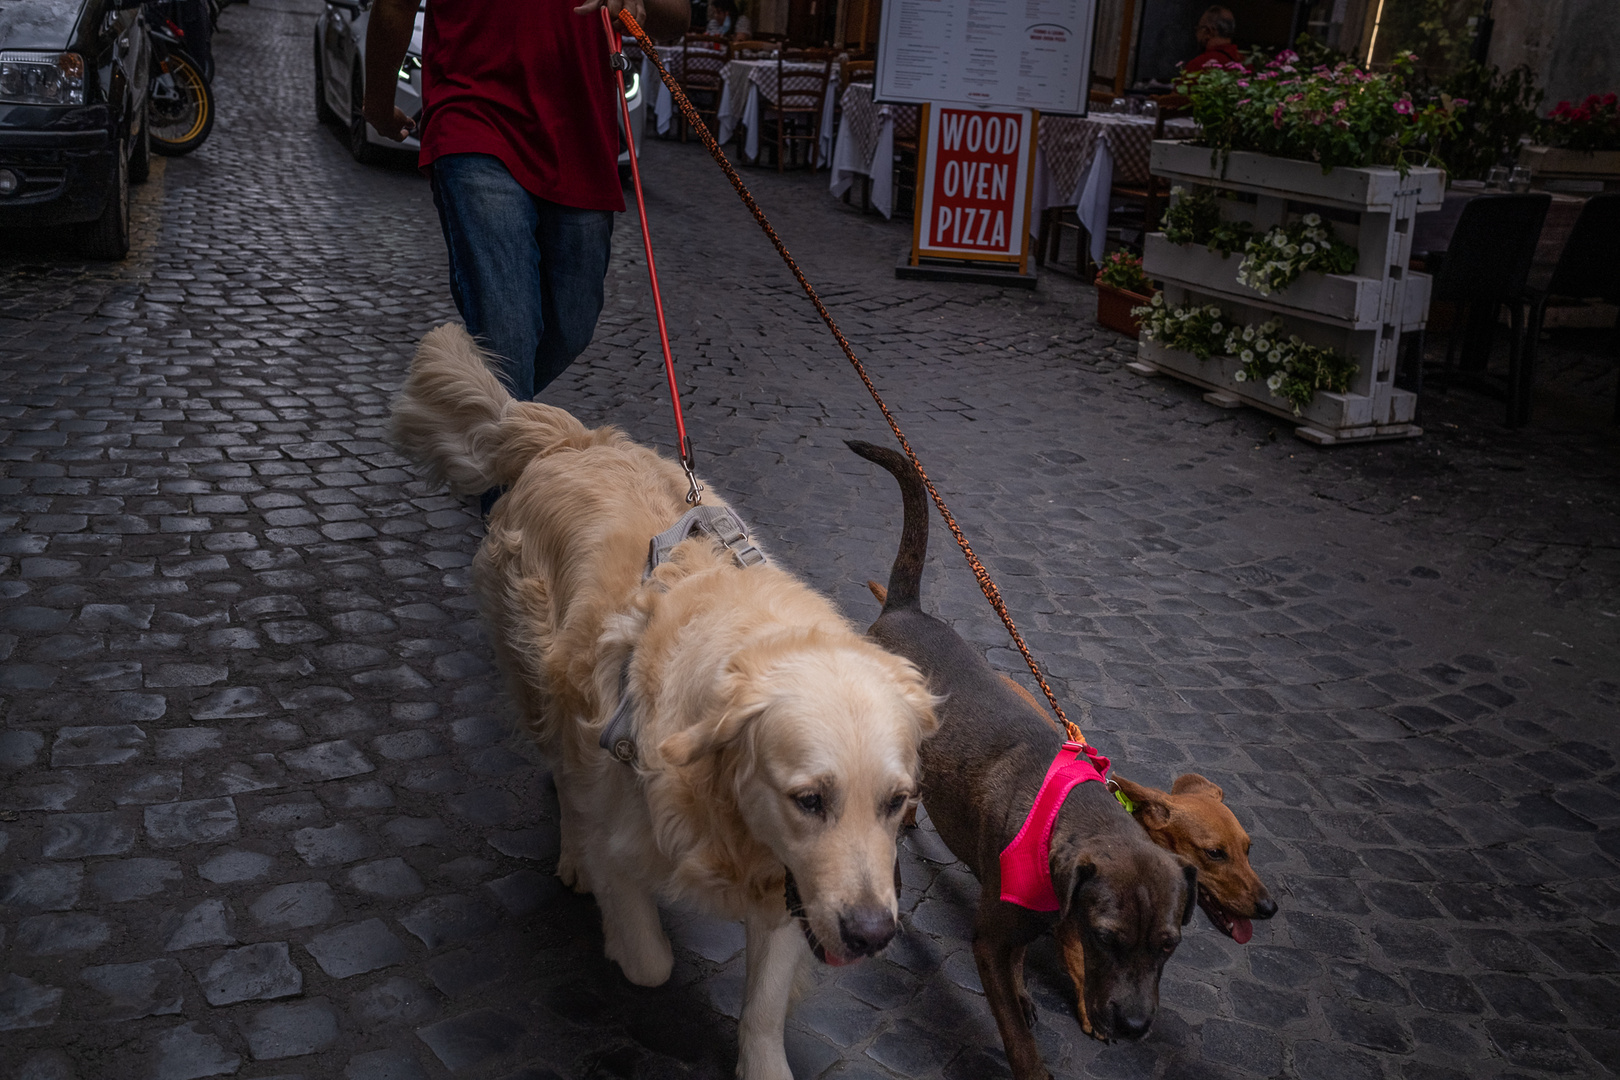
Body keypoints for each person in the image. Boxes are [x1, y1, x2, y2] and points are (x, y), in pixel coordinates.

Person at [362, 0, 688, 428]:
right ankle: (499, 475)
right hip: (475, 115)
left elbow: (677, 19)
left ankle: (473, 422)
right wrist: (378, 102)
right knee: (507, 337)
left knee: (572, 324)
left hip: (581, 133)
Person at [1184, 6, 1243, 74]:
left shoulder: (1198, 65)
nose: (1196, 34)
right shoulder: (1246, 63)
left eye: (1198, 29)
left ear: (1208, 31)